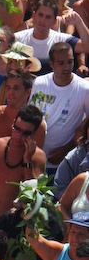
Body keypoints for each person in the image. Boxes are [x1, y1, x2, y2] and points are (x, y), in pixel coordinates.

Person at [30, 41, 89, 176]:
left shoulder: (84, 89)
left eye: (70, 62)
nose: (67, 67)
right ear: (51, 64)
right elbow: (30, 118)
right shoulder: (39, 83)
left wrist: (67, 149)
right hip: (34, 160)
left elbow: (86, 125)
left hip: (63, 165)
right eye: (61, 63)